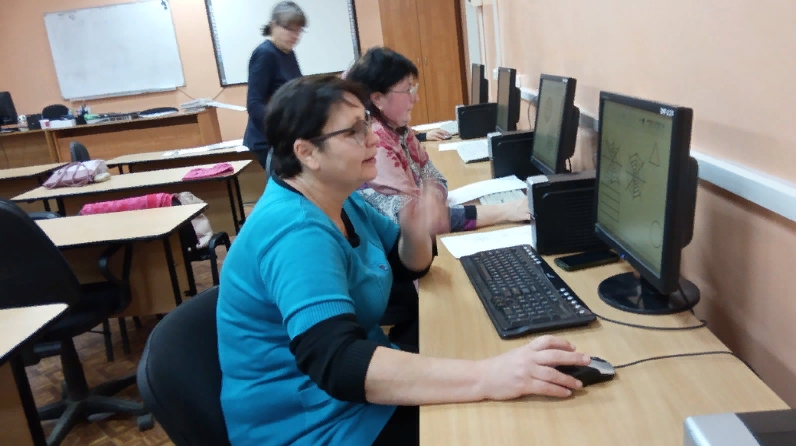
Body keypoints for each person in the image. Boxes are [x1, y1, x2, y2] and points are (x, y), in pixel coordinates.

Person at [216, 74, 593, 446]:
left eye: (366, 123)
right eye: (353, 132)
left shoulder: (341, 197)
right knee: (509, 424)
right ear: (306, 153)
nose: (372, 138)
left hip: (358, 390)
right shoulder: (295, 232)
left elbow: (404, 264)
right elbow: (337, 362)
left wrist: (415, 232)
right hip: (313, 421)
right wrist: (488, 375)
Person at [346, 47, 530, 232]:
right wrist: (504, 211)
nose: (416, 98)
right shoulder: (377, 143)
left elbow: (434, 177)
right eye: (408, 90)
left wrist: (432, 200)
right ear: (378, 98)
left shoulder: (399, 130)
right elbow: (418, 219)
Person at [243, 1, 306, 174]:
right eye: (289, 29)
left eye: (299, 30)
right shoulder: (265, 54)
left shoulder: (289, 53)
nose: (296, 35)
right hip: (267, 142)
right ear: (273, 26)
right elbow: (254, 105)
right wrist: (283, 127)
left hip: (285, 138)